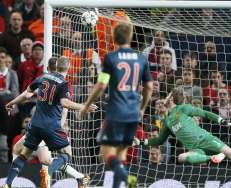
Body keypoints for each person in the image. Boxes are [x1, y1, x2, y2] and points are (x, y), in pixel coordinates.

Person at [2, 57, 97, 188]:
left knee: (24, 154)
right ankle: (49, 172)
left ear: (55, 66)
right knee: (66, 154)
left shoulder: (43, 78)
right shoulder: (64, 84)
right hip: (51, 126)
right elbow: (65, 104)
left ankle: (8, 184)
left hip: (35, 125)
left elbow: (26, 94)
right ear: (68, 68)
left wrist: (12, 103)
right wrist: (84, 106)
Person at [79, 23, 153, 188]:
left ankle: (127, 179)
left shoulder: (111, 58)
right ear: (130, 37)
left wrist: (86, 105)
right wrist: (142, 108)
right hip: (133, 113)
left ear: (113, 38)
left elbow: (101, 85)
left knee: (107, 154)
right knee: (121, 156)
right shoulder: (141, 58)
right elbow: (149, 87)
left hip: (116, 112)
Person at [134, 88, 231, 171]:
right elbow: (158, 140)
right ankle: (212, 158)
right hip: (196, 148)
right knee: (181, 157)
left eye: (168, 96)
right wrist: (140, 142)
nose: (163, 100)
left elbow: (205, 114)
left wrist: (222, 121)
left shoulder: (183, 108)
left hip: (206, 139)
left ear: (170, 99)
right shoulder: (167, 121)